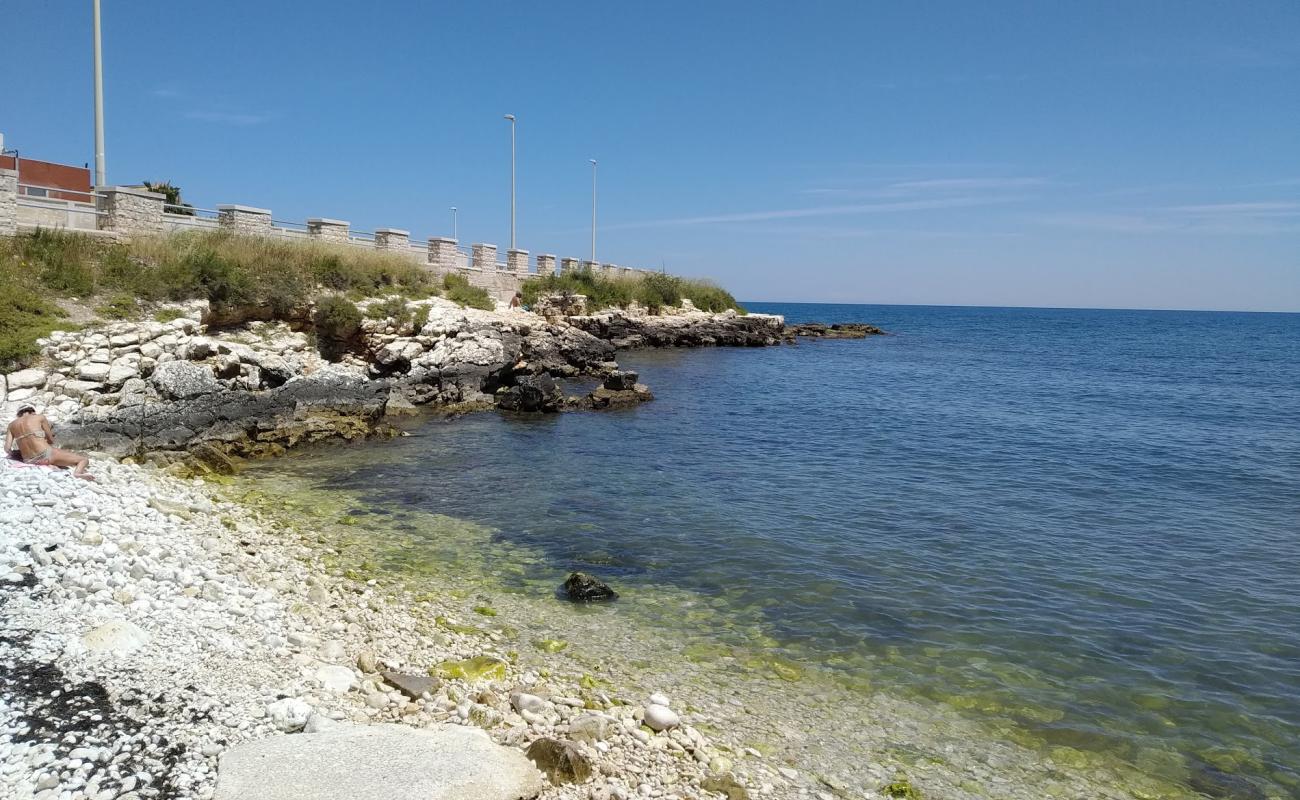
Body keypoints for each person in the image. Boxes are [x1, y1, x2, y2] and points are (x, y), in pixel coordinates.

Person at [5, 404, 95, 481]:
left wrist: (19, 452)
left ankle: (52, 463)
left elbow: (7, 448)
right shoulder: (40, 417)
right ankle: (77, 473)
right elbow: (51, 440)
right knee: (83, 460)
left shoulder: (11, 425)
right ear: (32, 412)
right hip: (46, 455)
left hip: (28, 460)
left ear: (19, 414)